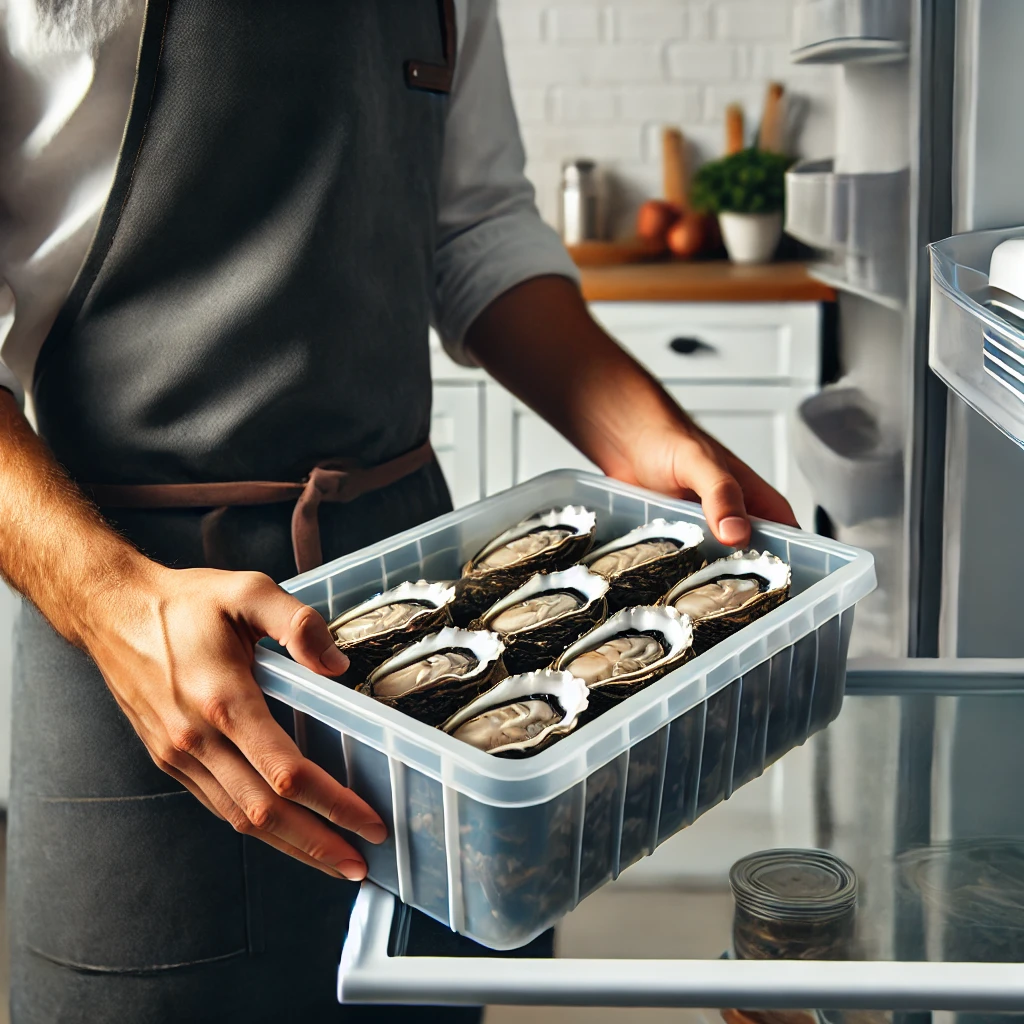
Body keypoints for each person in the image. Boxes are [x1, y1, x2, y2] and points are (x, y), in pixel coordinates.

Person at [0, 0, 798, 1020]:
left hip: (418, 594)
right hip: (130, 618)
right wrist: (112, 600)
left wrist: (642, 430)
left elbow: (474, 227)